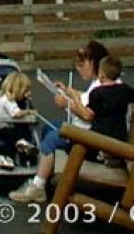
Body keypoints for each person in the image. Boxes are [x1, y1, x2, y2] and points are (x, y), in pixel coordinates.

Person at [9, 40, 109, 203]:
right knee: (50, 128)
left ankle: (38, 187)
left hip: (89, 136)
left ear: (92, 62)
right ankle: (44, 175)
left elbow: (88, 114)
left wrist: (67, 103)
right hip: (86, 130)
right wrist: (68, 92)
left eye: (81, 64)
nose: (78, 68)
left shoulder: (100, 87)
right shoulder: (99, 83)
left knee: (51, 140)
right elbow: (87, 99)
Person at [0, 71, 37, 169]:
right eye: (26, 91)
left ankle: (25, 153)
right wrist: (28, 112)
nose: (28, 93)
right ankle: (20, 143)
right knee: (12, 132)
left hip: (7, 127)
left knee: (21, 130)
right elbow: (16, 113)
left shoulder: (16, 101)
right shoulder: (7, 100)